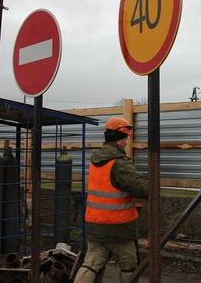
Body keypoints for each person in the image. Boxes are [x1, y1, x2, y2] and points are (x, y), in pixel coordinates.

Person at [74, 117, 148, 283]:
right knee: (129, 265)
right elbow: (142, 188)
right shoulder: (119, 164)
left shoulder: (96, 160)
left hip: (94, 226)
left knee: (91, 264)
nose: (127, 141)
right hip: (118, 229)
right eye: (126, 137)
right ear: (120, 138)